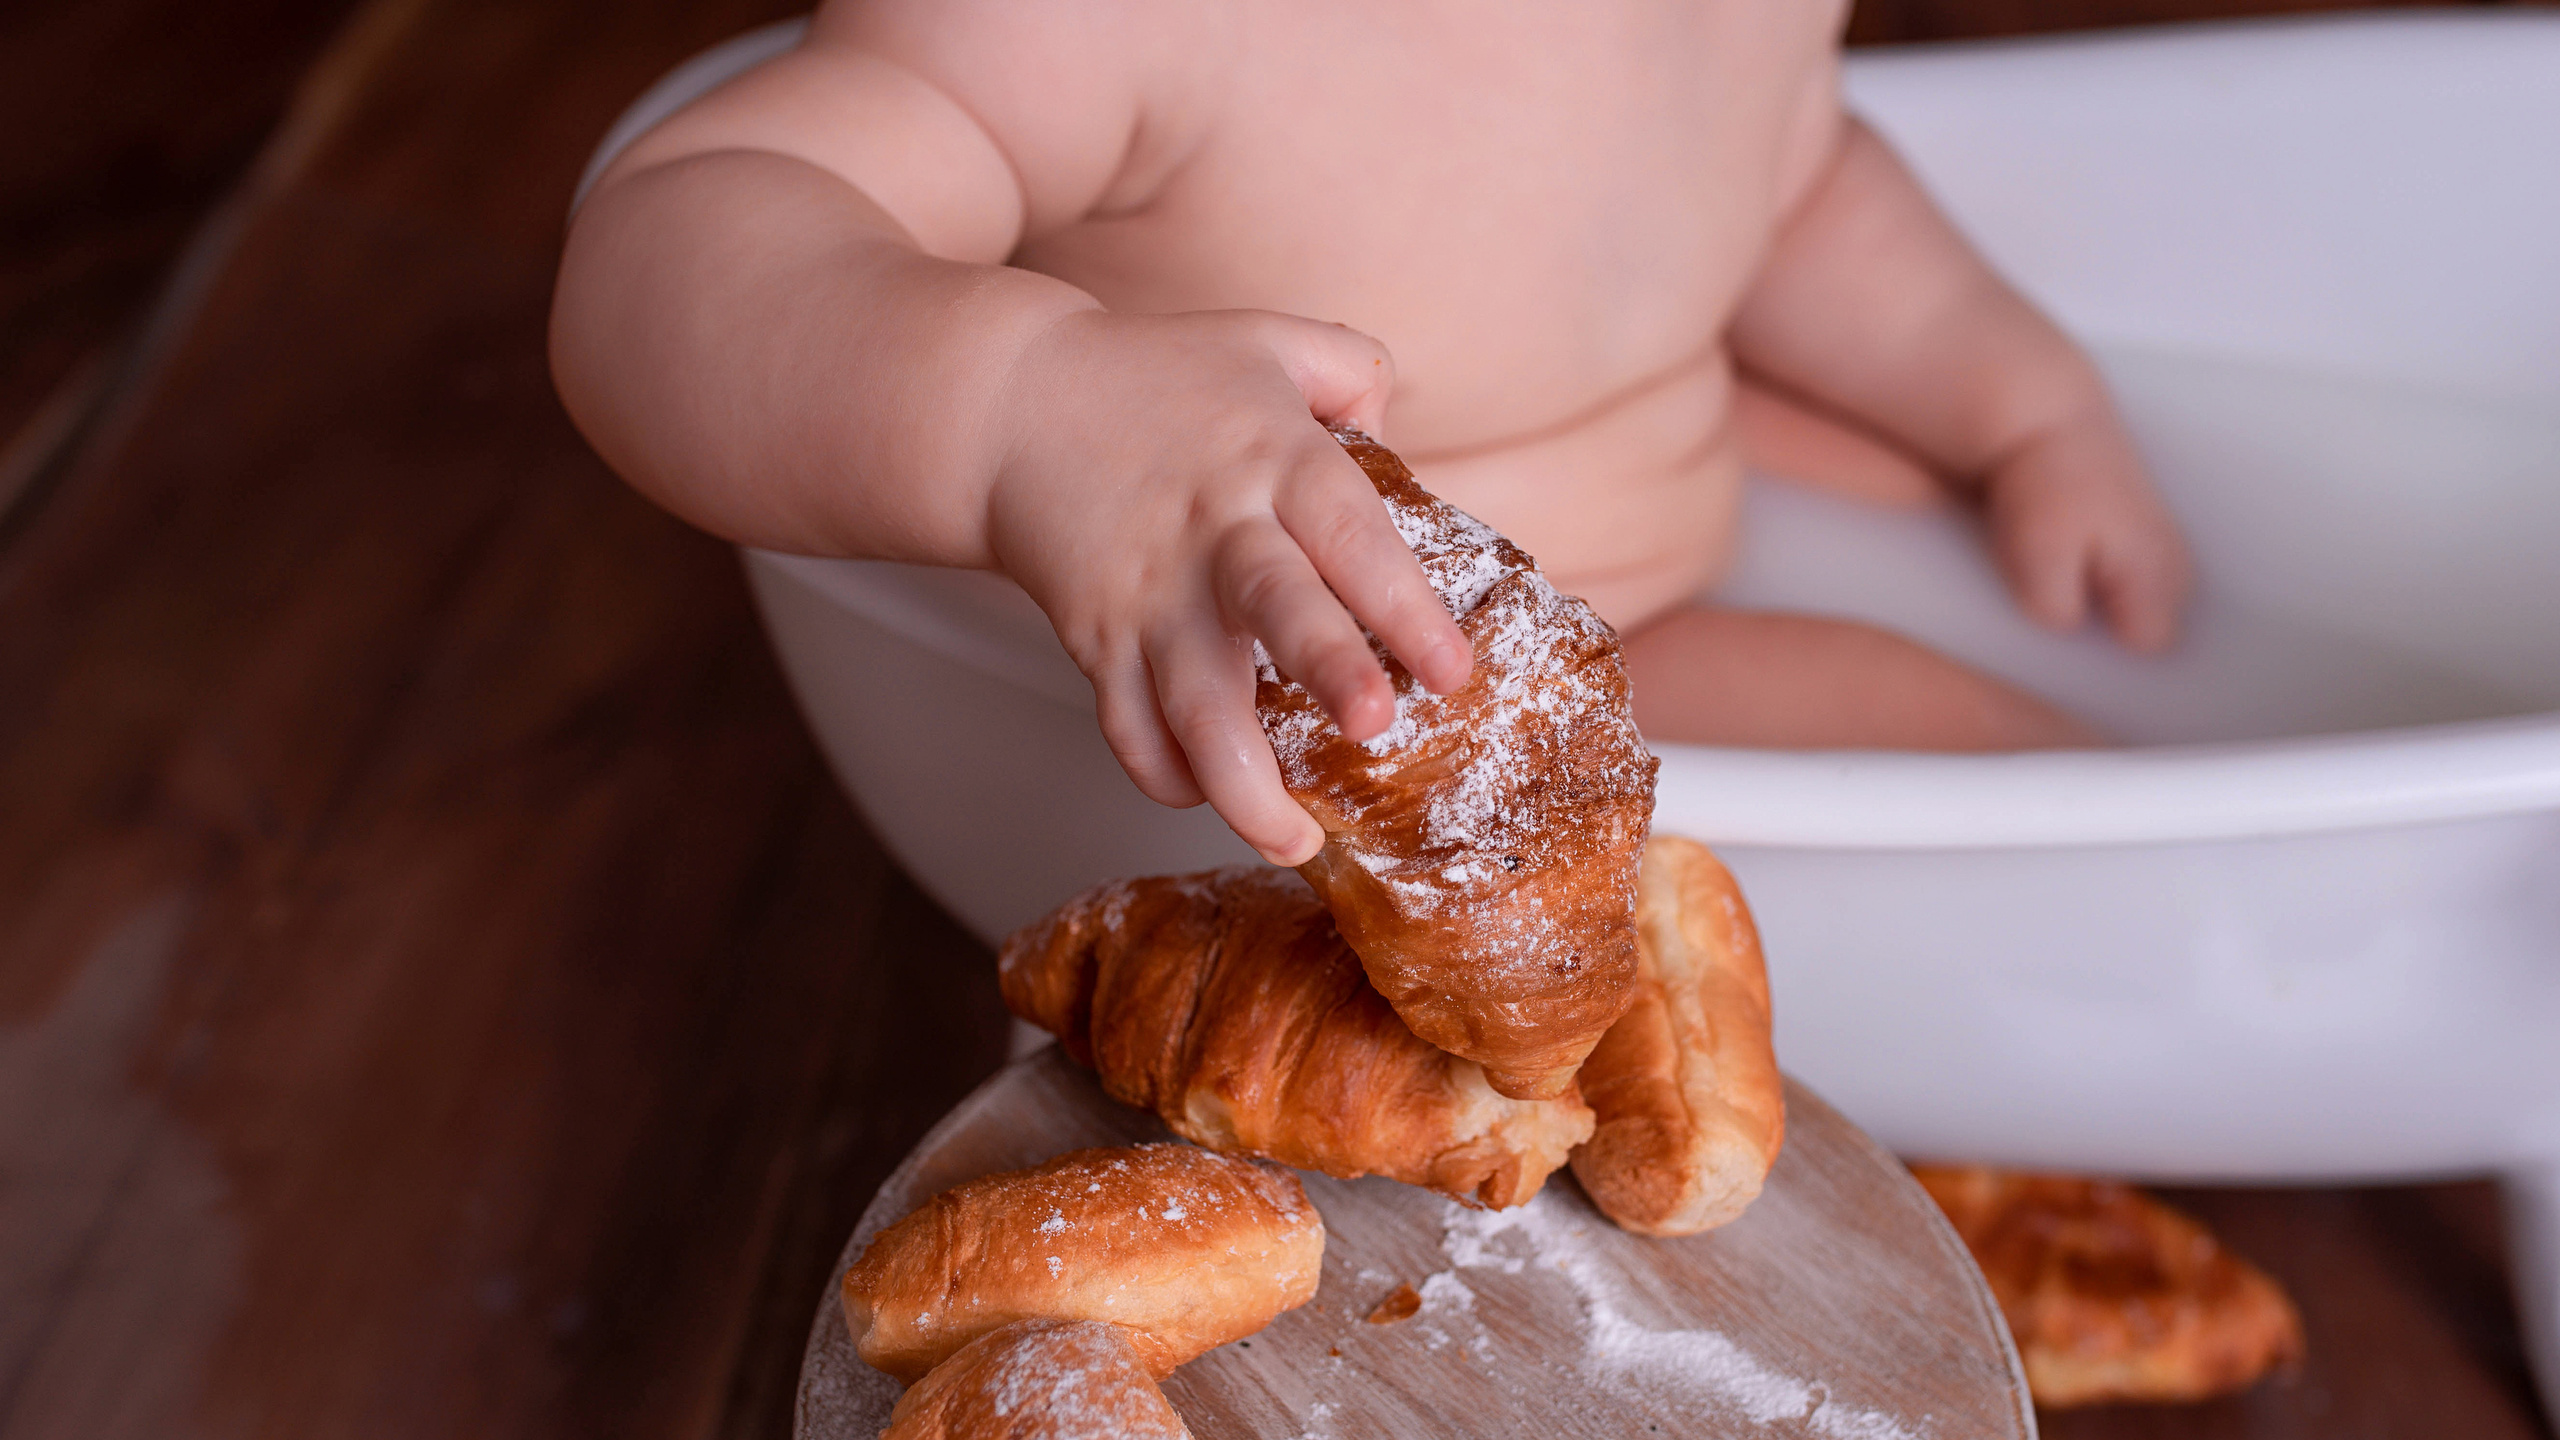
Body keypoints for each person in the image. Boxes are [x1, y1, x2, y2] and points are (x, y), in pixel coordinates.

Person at [551, 0, 2191, 868]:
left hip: (1654, 561)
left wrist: (2016, 400)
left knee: (2096, 790)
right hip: (1400, 715)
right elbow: (672, 243)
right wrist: (1030, 410)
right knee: (2064, 815)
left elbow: (1792, 179)